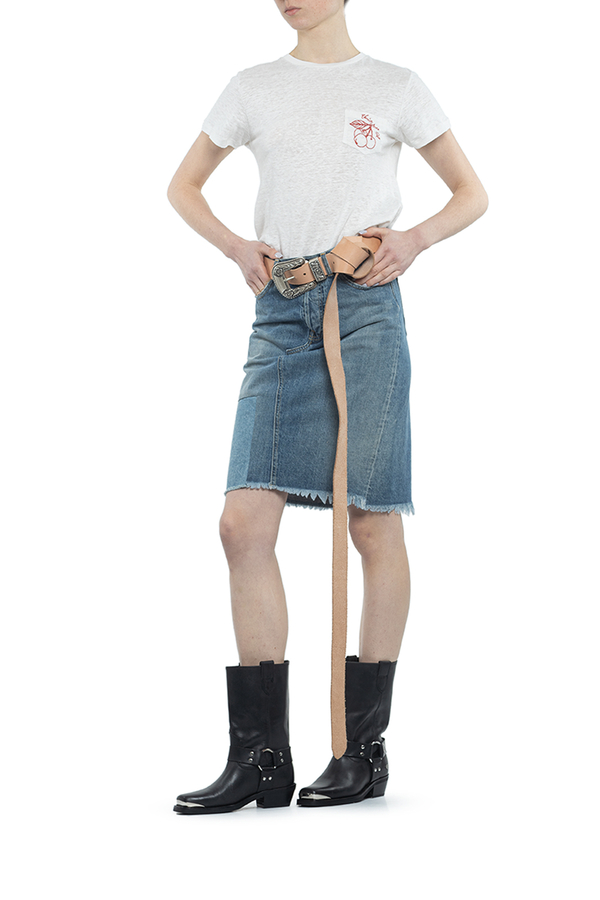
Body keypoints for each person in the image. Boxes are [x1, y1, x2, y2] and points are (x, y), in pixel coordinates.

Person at [167, 0, 488, 814]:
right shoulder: (252, 87)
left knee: (373, 523)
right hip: (280, 311)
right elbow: (183, 186)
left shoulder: (396, 85)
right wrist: (236, 247)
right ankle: (262, 759)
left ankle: (362, 752)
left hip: (367, 309)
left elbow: (471, 193)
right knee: (242, 523)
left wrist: (413, 240)